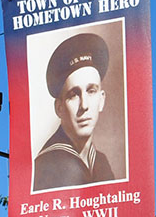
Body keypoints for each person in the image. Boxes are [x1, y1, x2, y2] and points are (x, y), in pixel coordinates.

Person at [33, 32, 115, 191]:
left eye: (91, 91)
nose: (84, 105)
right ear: (59, 108)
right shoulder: (48, 164)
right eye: (73, 95)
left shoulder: (101, 162)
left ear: (102, 100)